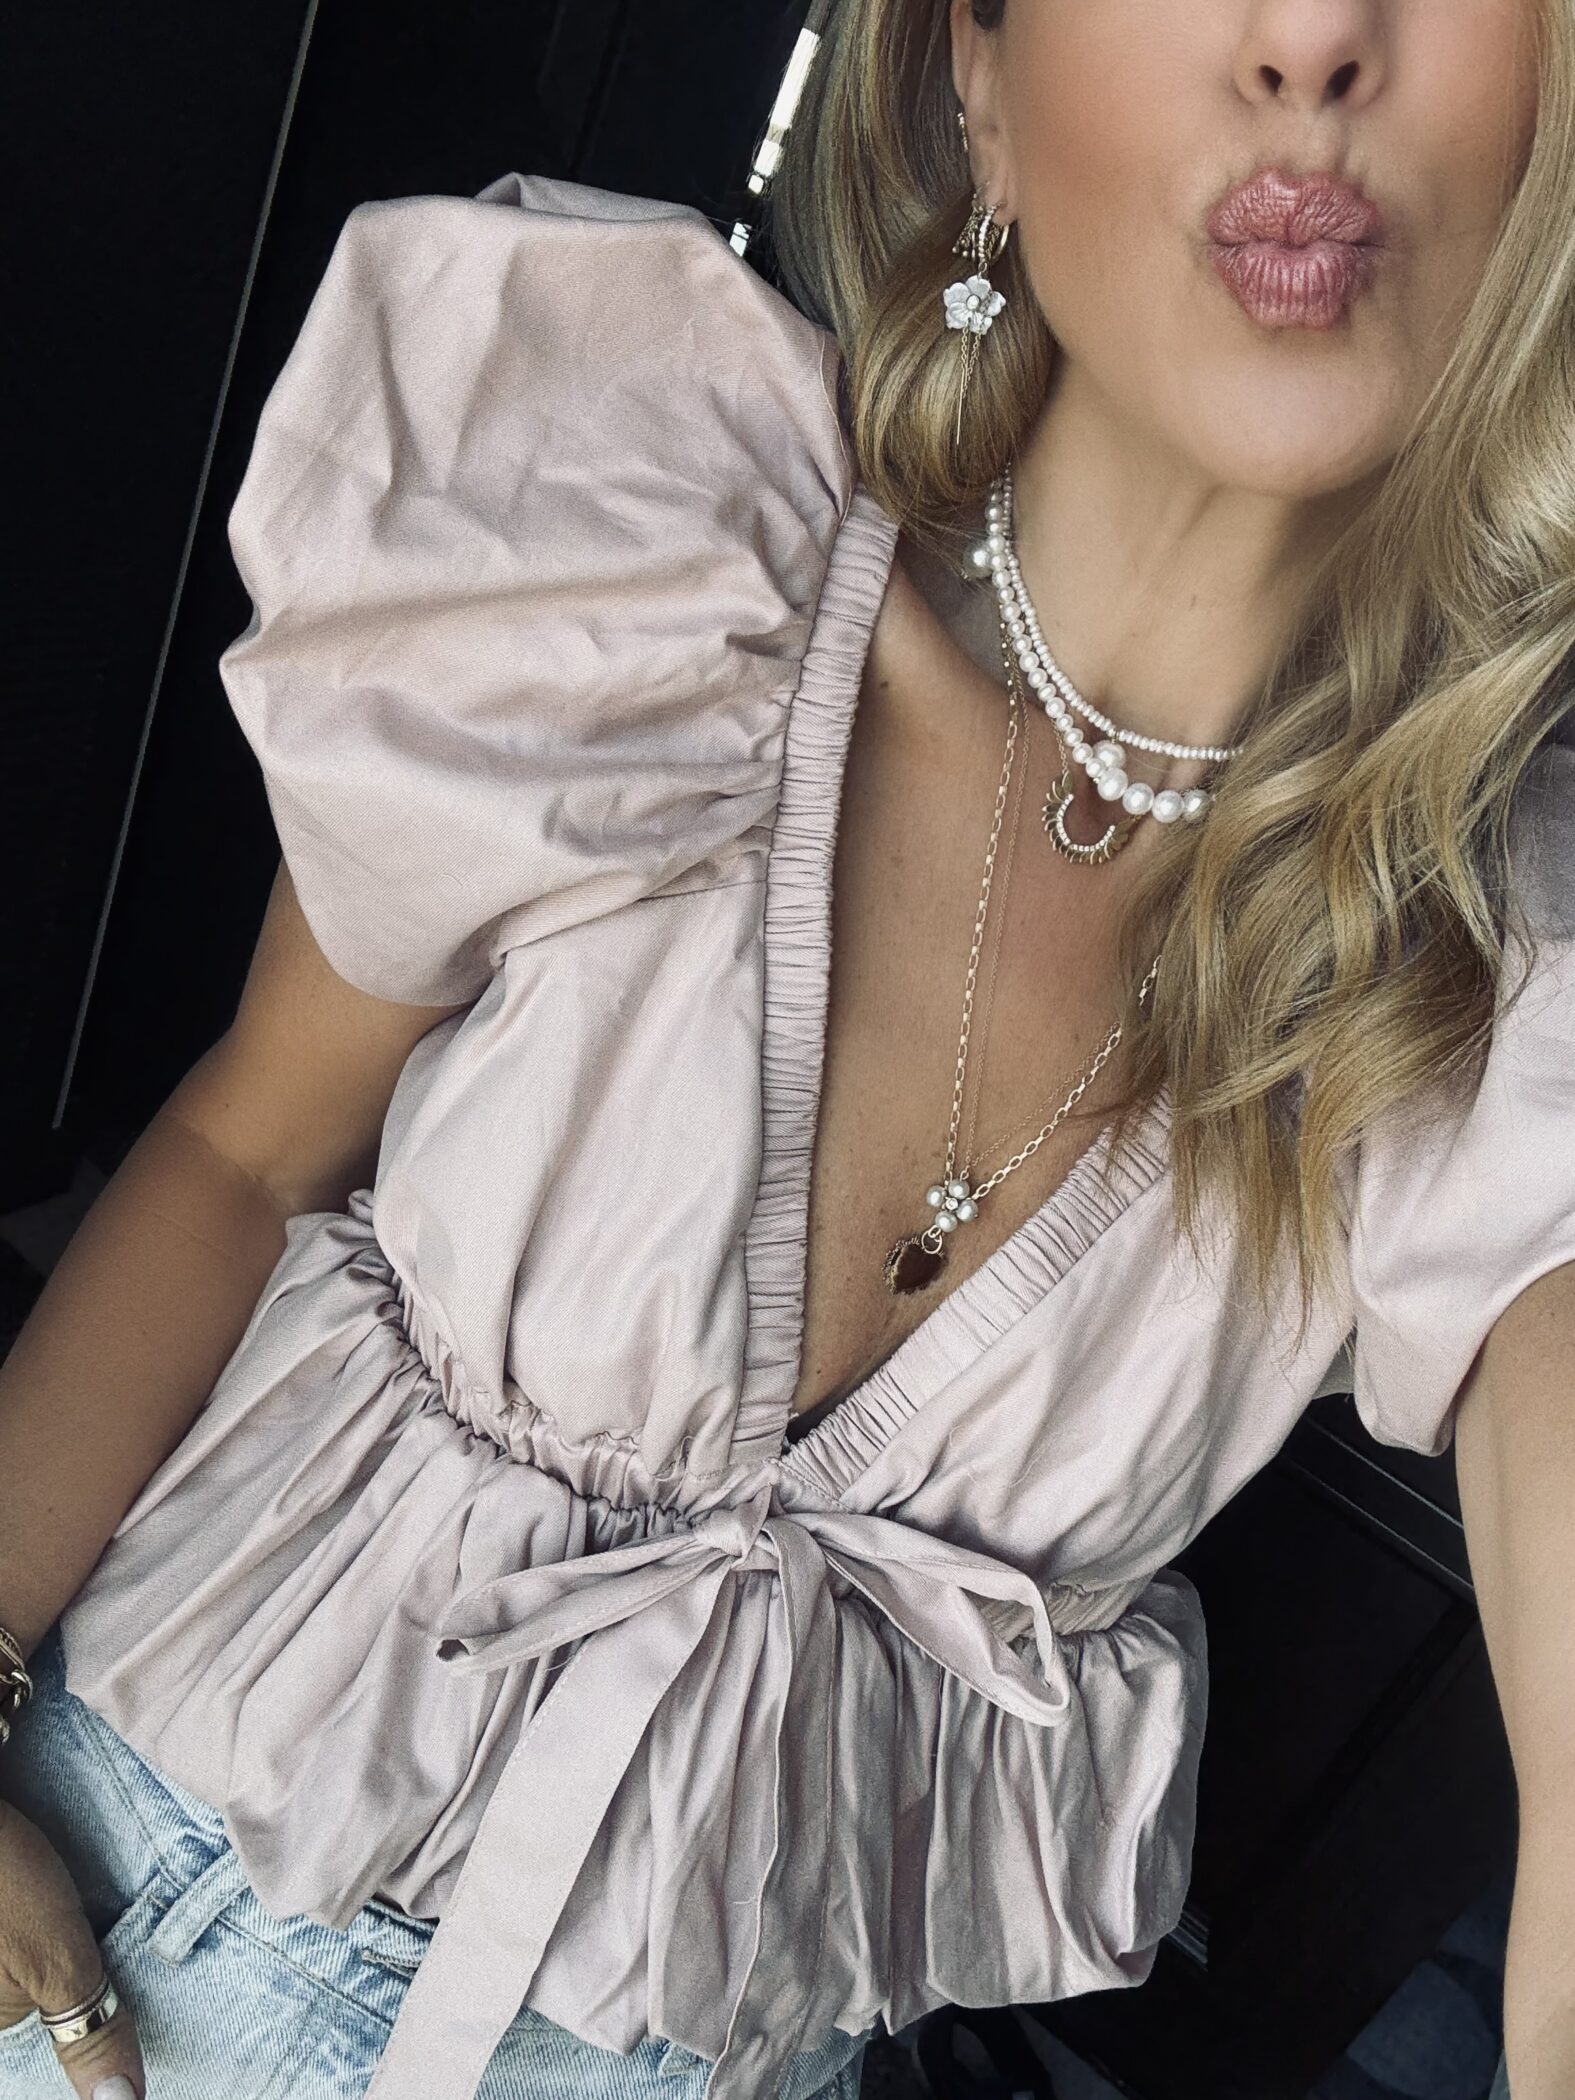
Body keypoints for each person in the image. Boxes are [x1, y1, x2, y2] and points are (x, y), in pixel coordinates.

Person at [2, 1, 1572, 2096]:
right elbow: (243, 1150)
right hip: (124, 1916)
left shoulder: (1482, 956)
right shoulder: (651, 561)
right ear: (979, 81)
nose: (1308, 37)